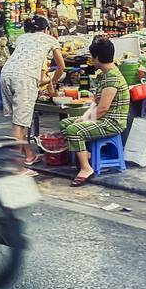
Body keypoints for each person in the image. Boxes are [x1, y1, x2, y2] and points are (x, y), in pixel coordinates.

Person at [60, 37, 130, 186]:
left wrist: (85, 120)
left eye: (92, 57)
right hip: (102, 118)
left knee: (74, 130)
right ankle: (86, 154)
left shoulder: (112, 78)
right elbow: (96, 103)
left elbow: (103, 108)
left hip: (112, 122)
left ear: (97, 58)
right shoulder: (104, 76)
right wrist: (84, 117)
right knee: (65, 123)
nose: (91, 60)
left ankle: (86, 168)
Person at [0, 15, 67, 168]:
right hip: (25, 78)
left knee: (20, 120)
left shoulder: (22, 38)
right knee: (19, 124)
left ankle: (29, 155)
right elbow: (61, 66)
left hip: (6, 74)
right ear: (46, 29)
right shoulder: (49, 39)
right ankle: (17, 165)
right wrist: (54, 81)